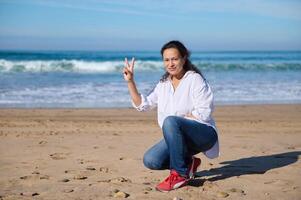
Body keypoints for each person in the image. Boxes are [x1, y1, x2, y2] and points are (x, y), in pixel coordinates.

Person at [123, 40, 219, 192]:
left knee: (170, 121)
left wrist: (180, 122)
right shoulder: (163, 84)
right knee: (151, 160)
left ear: (184, 58)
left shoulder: (194, 79)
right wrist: (130, 82)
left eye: (174, 59)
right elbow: (144, 105)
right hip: (179, 139)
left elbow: (205, 111)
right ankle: (188, 163)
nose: (170, 64)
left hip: (204, 134)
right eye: (166, 60)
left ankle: (180, 174)